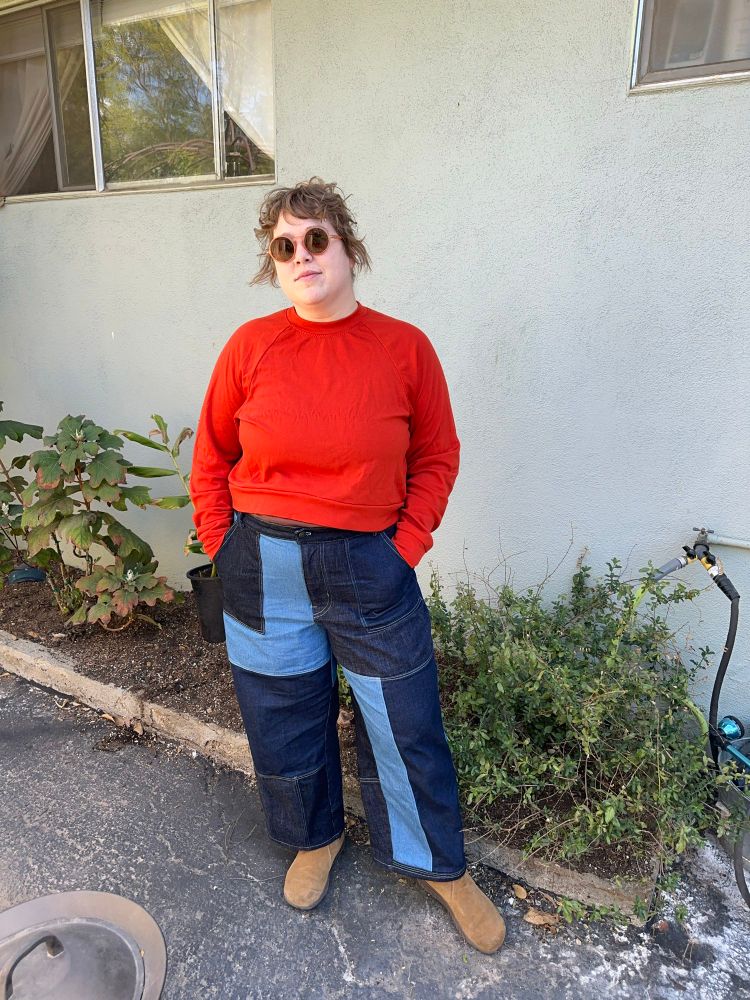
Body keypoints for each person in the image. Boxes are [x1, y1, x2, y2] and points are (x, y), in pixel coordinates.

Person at [189, 177, 506, 955]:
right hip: (262, 562)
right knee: (282, 715)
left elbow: (438, 456)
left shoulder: (404, 348)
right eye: (284, 246)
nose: (301, 255)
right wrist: (222, 545)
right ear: (274, 263)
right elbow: (212, 458)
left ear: (347, 247)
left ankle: (438, 864)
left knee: (406, 718)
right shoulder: (250, 347)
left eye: (315, 239)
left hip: (370, 562)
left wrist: (406, 548)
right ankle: (315, 837)